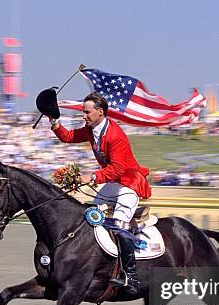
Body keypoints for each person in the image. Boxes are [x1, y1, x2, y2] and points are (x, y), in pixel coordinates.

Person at [49, 92, 151, 294]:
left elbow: (118, 169)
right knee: (90, 217)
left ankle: (131, 276)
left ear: (100, 112)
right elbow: (69, 137)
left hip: (129, 184)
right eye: (83, 112)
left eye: (86, 112)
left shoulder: (115, 135)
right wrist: (54, 122)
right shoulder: (91, 129)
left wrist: (92, 177)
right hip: (114, 183)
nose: (83, 116)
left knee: (120, 225)